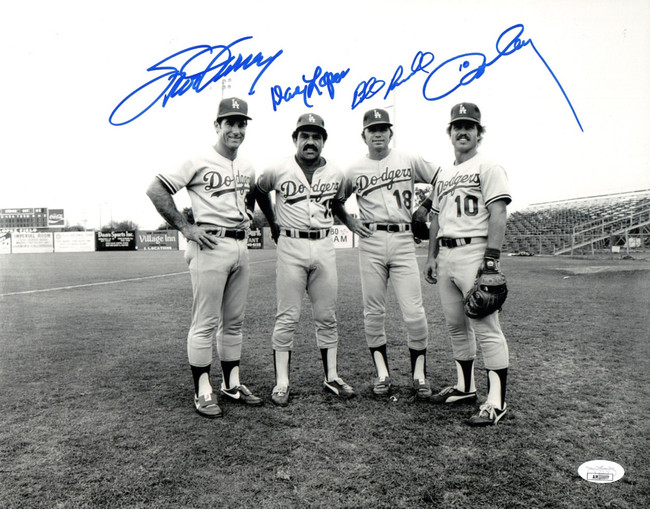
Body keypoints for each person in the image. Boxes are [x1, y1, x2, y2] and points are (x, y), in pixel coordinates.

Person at [146, 97, 262, 418]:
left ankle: (232, 384)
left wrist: (248, 214)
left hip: (240, 246)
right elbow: (156, 189)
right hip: (209, 244)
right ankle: (202, 390)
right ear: (217, 126)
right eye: (229, 123)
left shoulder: (247, 165)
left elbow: (251, 194)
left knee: (235, 322)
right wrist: (187, 228)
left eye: (241, 124)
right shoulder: (198, 159)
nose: (236, 129)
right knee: (206, 322)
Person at [333, 108, 441, 399]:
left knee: (415, 312)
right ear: (364, 135)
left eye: (383, 128)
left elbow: (442, 178)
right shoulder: (353, 169)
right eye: (373, 129)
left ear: (390, 133)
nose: (378, 133)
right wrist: (350, 221)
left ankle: (419, 375)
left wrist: (426, 206)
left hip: (404, 239)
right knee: (373, 312)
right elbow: (336, 201)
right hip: (371, 240)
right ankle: (382, 373)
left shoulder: (407, 158)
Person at [255, 113, 356, 406]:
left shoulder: (337, 172)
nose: (310, 141)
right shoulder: (277, 168)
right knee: (287, 316)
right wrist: (272, 220)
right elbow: (260, 190)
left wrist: (345, 218)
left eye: (316, 136)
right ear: (295, 139)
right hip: (290, 244)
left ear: (323, 141)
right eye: (304, 136)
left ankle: (332, 377)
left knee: (327, 315)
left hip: (324, 244)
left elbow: (339, 199)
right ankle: (282, 382)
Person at [423, 102, 511, 426]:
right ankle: (465, 387)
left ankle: (497, 402)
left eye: (469, 126)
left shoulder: (488, 166)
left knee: (486, 328)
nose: (462, 131)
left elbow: (499, 212)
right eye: (457, 126)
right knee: (455, 326)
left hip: (474, 251)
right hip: (445, 254)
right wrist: (431, 256)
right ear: (450, 133)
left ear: (478, 133)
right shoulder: (443, 175)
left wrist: (491, 259)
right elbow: (435, 219)